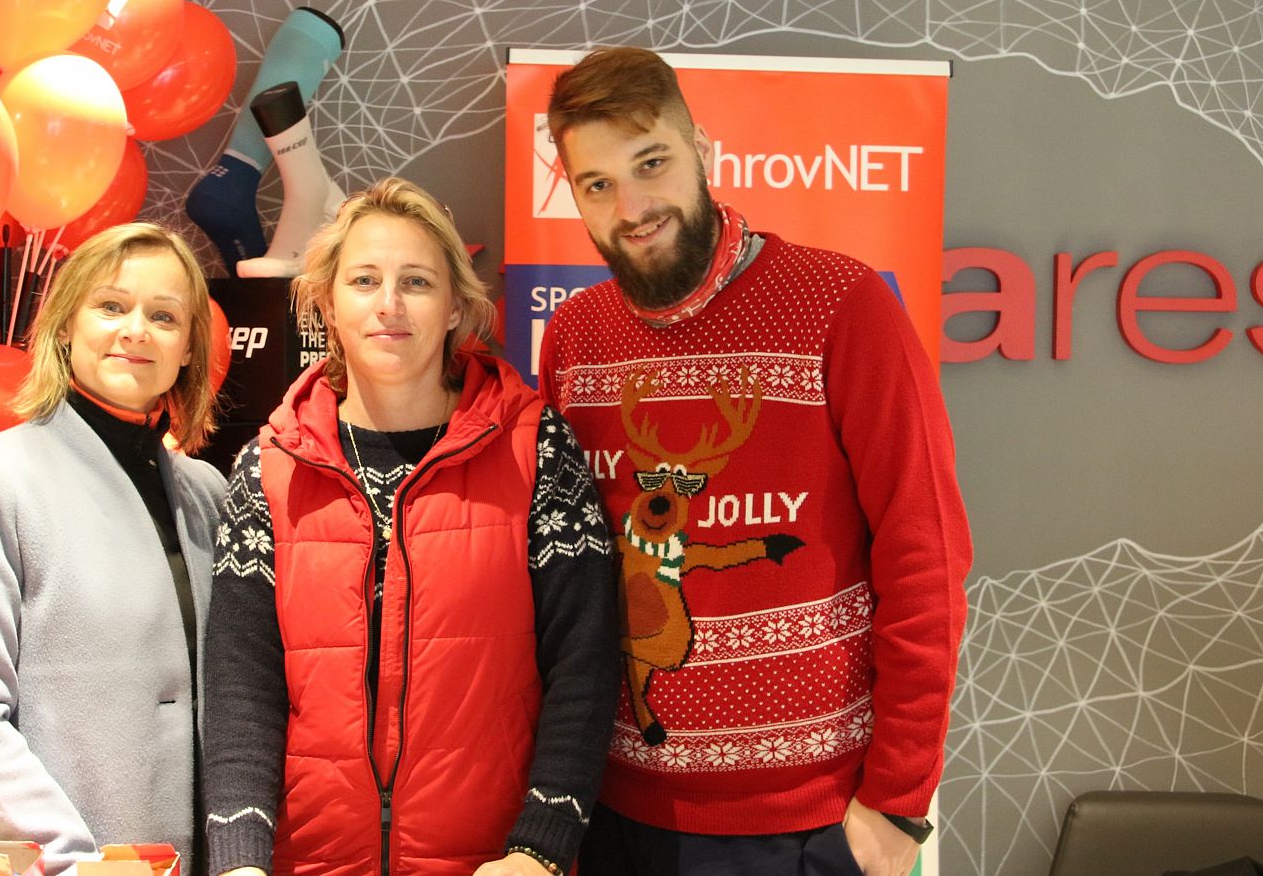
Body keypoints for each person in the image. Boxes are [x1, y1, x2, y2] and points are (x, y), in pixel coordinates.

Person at [537, 47, 972, 876]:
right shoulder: (574, 337)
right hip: (615, 814)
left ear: (702, 149)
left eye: (651, 163)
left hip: (808, 824)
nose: (632, 207)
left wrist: (897, 802)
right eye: (597, 184)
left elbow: (927, 554)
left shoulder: (841, 304)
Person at [201, 177, 620, 876]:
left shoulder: (536, 448)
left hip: (496, 865)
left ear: (456, 304)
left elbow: (585, 661)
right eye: (364, 280)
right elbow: (242, 685)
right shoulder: (270, 465)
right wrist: (239, 858)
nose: (388, 304)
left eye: (417, 282)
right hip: (312, 863)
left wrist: (541, 849)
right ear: (328, 303)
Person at [0, 222, 229, 875]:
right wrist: (71, 863)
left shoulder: (209, 494)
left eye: (164, 316)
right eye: (111, 306)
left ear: (188, 350)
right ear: (63, 326)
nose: (136, 330)